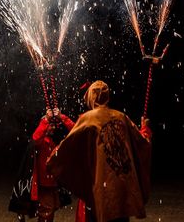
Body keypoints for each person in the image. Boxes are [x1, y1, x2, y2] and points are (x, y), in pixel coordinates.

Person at [47, 81, 152, 222]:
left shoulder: (87, 118)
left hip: (101, 187)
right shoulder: (121, 117)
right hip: (122, 188)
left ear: (91, 97)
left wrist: (53, 158)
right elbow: (141, 142)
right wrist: (145, 128)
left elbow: (68, 144)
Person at [9, 107, 75, 222]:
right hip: (42, 185)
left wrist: (62, 117)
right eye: (51, 125)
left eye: (54, 125)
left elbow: (75, 131)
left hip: (52, 184)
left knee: (49, 210)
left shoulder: (53, 141)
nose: (53, 127)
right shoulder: (40, 140)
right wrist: (46, 120)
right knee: (46, 211)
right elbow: (35, 138)